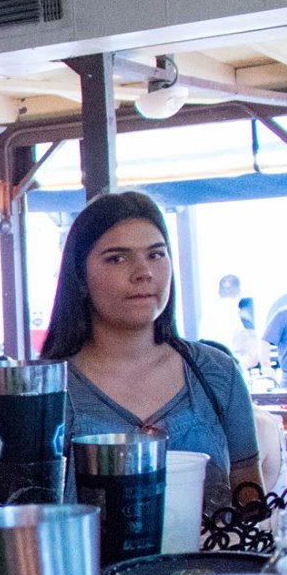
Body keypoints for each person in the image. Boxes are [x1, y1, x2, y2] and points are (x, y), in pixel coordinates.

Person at [40, 190, 259, 510]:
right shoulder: (48, 390)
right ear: (80, 277)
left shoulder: (216, 373)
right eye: (117, 258)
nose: (143, 272)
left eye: (156, 255)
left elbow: (250, 501)